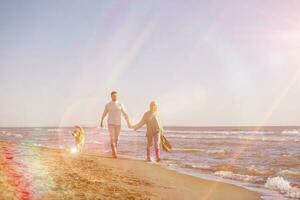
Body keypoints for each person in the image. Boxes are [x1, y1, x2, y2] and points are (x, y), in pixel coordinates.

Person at [100, 91, 129, 158]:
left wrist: (128, 121)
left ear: (117, 96)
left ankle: (114, 151)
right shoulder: (108, 104)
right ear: (111, 96)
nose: (114, 97)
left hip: (118, 124)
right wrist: (101, 121)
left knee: (117, 139)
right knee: (112, 138)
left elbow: (124, 113)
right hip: (111, 123)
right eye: (113, 96)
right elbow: (104, 113)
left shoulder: (120, 104)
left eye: (115, 96)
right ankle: (115, 152)